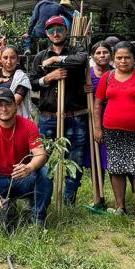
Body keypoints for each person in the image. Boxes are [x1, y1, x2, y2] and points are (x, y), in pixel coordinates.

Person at [28, 15, 89, 208]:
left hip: (75, 117)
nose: (56, 33)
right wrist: (49, 78)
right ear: (46, 34)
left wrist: (57, 59)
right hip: (48, 118)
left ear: (66, 30)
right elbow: (32, 82)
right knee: (39, 158)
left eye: (59, 29)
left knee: (74, 161)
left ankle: (68, 201)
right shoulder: (40, 56)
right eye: (51, 30)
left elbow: (80, 61)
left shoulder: (77, 50)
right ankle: (40, 196)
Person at [93, 42, 135, 220]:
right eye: (119, 58)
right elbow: (97, 104)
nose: (123, 61)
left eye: (127, 57)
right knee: (116, 167)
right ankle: (120, 206)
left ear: (134, 59)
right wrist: (97, 128)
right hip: (112, 131)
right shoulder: (108, 77)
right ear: (113, 59)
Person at [0, 88, 50, 224]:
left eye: (8, 104)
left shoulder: (29, 126)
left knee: (45, 172)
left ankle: (38, 217)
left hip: (23, 177)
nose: (4, 109)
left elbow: (41, 154)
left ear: (15, 105)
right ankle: (7, 208)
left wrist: (29, 167)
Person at [85, 41, 111, 206]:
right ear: (93, 56)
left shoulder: (116, 73)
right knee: (96, 160)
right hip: (93, 122)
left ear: (111, 54)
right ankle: (98, 197)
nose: (102, 56)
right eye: (98, 53)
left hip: (112, 120)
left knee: (112, 160)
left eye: (105, 52)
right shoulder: (88, 74)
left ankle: (119, 199)